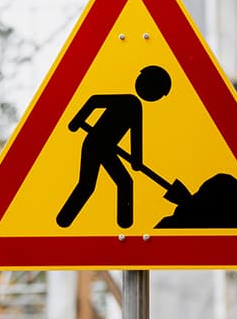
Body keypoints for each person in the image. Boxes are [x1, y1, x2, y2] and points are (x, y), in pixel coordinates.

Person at [56, 65, 171, 229]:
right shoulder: (129, 101)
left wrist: (136, 160)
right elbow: (95, 100)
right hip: (94, 144)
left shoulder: (135, 105)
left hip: (106, 148)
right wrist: (76, 121)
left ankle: (125, 227)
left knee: (123, 183)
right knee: (88, 185)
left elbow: (135, 135)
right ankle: (63, 222)